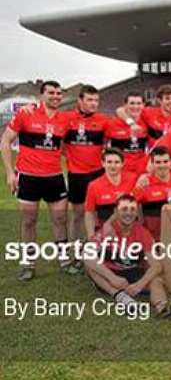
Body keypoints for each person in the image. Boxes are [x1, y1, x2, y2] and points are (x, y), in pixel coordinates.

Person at [1, 81, 71, 280]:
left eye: (59, 93)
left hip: (55, 177)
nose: (56, 96)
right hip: (29, 177)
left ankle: (65, 261)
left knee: (60, 219)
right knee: (29, 221)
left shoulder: (64, 119)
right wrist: (9, 173)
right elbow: (5, 141)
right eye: (51, 92)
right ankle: (28, 264)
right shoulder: (26, 113)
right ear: (41, 95)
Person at [84, 195, 171, 318]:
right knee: (91, 267)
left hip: (134, 271)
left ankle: (162, 306)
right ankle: (121, 297)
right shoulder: (107, 231)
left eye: (132, 209)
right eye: (124, 209)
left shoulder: (143, 233)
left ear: (137, 212)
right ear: (115, 212)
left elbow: (156, 265)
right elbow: (87, 255)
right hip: (111, 274)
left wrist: (139, 285)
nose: (128, 213)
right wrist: (112, 278)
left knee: (157, 279)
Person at [62, 84, 108, 269]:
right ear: (80, 100)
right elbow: (59, 143)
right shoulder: (66, 119)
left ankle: (100, 251)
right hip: (77, 175)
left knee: (99, 215)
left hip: (98, 174)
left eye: (96, 100)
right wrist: (71, 157)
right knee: (78, 215)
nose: (93, 103)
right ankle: (78, 253)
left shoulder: (103, 120)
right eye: (89, 99)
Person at [133, 147, 171, 240]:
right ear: (152, 164)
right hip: (154, 237)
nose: (162, 165)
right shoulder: (144, 183)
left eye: (165, 161)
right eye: (158, 162)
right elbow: (130, 205)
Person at [84, 148, 137, 237]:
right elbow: (89, 213)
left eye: (116, 162)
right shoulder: (94, 185)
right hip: (107, 233)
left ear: (122, 163)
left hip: (130, 231)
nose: (113, 166)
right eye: (109, 162)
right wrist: (91, 236)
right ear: (103, 163)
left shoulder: (133, 179)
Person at [106, 91, 149, 175]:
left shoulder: (146, 122)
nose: (135, 107)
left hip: (141, 173)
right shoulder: (112, 124)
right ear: (125, 105)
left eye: (138, 103)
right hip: (121, 173)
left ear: (143, 105)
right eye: (132, 103)